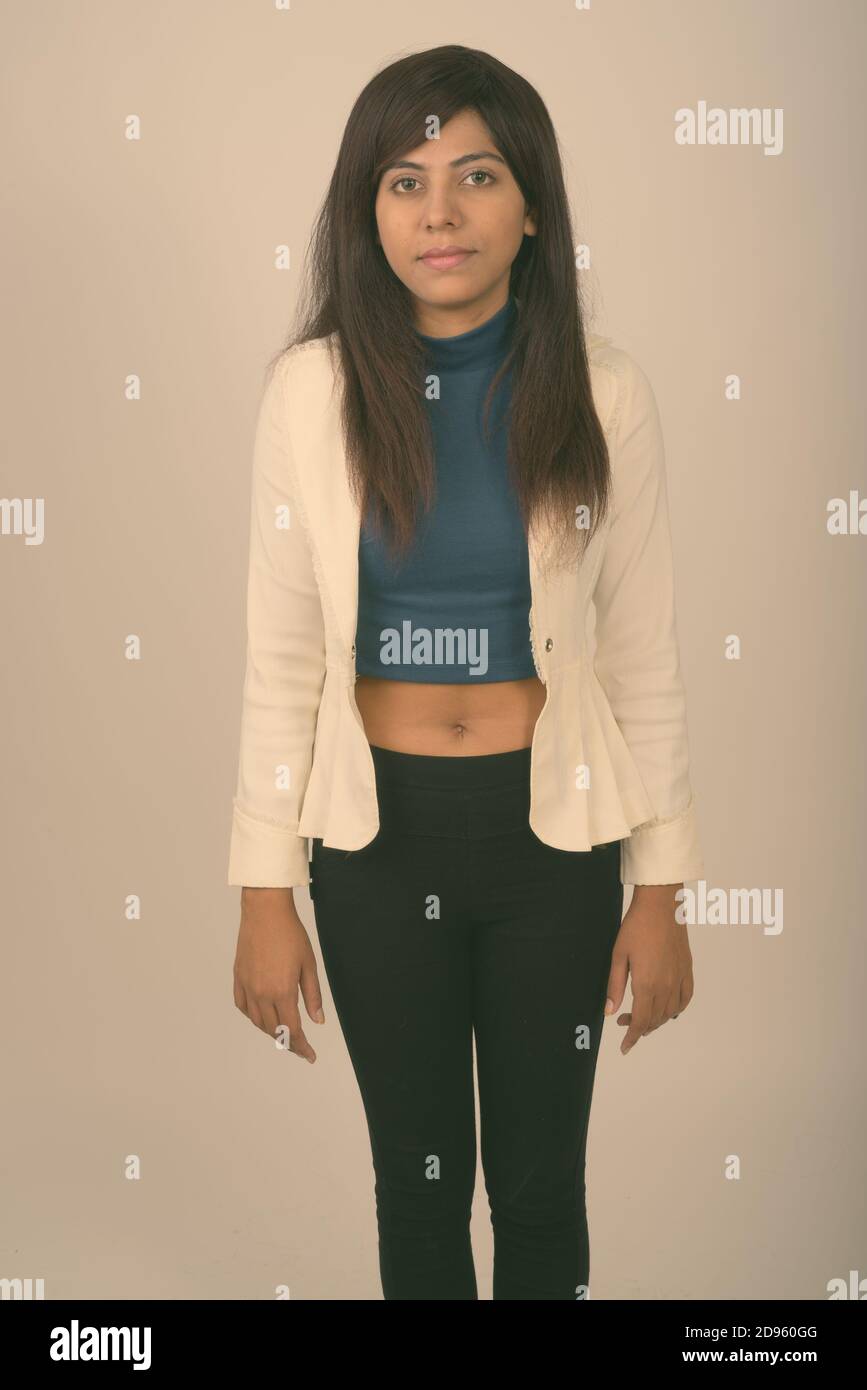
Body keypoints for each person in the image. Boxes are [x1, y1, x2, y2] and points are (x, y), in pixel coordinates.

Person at [228, 44, 704, 1300]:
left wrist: (662, 889)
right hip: (376, 842)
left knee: (543, 1189)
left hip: (554, 840)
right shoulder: (311, 393)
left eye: (476, 175)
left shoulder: (607, 396)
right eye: (404, 180)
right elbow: (282, 664)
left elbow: (644, 657)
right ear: (365, 209)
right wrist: (263, 888)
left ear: (531, 202)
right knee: (422, 1188)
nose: (439, 212)